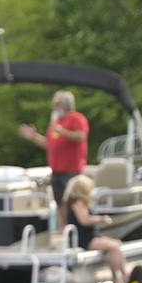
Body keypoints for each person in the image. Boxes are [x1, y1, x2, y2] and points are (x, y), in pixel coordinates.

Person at [18, 90, 90, 218]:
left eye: (56, 103)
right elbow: (48, 144)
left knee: (73, 201)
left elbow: (81, 136)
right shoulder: (55, 123)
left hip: (72, 170)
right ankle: (62, 230)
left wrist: (62, 131)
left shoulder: (77, 118)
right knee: (59, 201)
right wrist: (33, 136)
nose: (53, 106)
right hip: (56, 171)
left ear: (66, 104)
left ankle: (76, 227)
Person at [60, 174, 129, 283]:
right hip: (84, 239)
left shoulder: (73, 201)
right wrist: (101, 219)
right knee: (114, 246)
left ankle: (120, 278)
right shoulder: (78, 202)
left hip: (87, 237)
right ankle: (120, 279)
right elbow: (84, 220)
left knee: (115, 245)